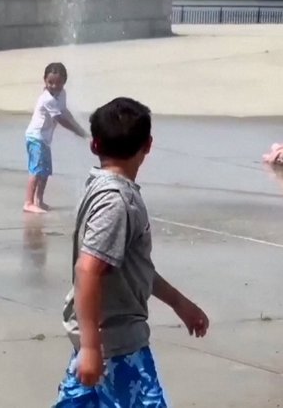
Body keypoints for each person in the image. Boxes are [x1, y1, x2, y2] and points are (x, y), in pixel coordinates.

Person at [54, 97, 210, 407]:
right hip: (117, 346)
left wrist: (180, 302)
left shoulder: (99, 189)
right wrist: (90, 347)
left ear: (94, 145)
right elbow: (88, 270)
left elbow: (131, 267)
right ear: (148, 145)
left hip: (103, 342)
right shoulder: (117, 203)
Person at [23, 62, 87, 214]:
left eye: (58, 83)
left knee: (45, 171)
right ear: (44, 80)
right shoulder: (47, 99)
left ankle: (39, 200)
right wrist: (76, 130)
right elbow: (60, 119)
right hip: (35, 137)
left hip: (45, 139)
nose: (53, 86)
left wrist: (79, 128)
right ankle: (28, 202)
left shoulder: (61, 94)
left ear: (64, 82)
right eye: (50, 82)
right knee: (36, 170)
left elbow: (64, 112)